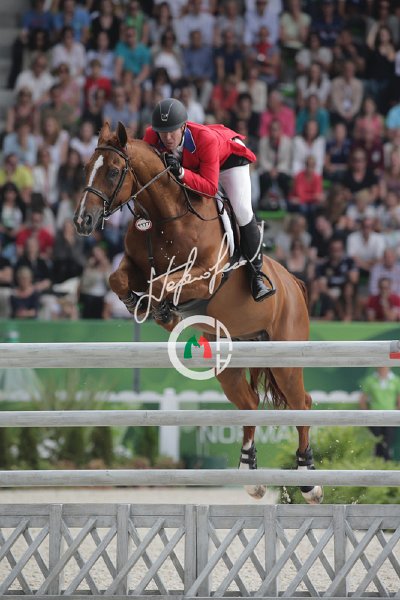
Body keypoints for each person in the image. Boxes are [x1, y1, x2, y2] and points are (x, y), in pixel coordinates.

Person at [143, 97, 275, 302]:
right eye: (163, 132)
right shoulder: (152, 135)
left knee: (242, 210)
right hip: (197, 164)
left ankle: (256, 276)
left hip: (228, 160)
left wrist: (182, 173)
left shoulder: (205, 139)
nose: (167, 138)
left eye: (172, 131)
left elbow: (210, 189)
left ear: (183, 127)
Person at [359, 367, 400, 460]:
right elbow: (362, 399)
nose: (383, 368)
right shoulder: (370, 380)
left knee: (388, 442)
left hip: (390, 416)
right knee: (377, 443)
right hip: (375, 416)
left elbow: (399, 399)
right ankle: (378, 465)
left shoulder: (396, 380)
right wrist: (367, 415)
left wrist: (396, 413)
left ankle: (386, 465)